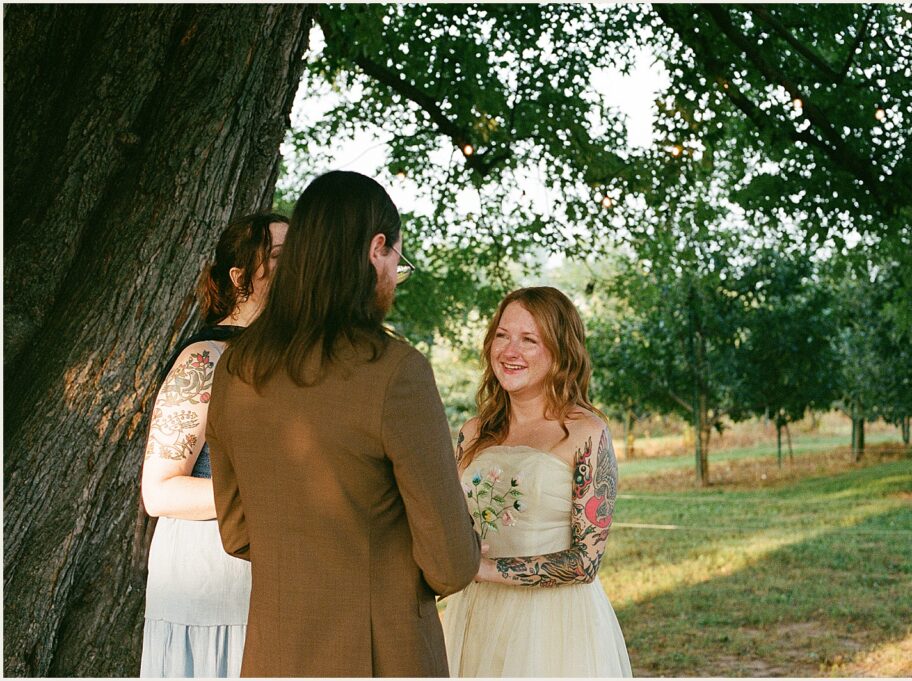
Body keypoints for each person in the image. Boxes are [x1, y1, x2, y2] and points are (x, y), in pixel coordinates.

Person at [204, 170, 480, 677]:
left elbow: (237, 532)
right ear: (378, 249)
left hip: (273, 654)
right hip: (380, 651)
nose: (396, 274)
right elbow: (450, 560)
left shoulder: (237, 370)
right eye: (399, 260)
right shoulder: (395, 371)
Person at [443, 286, 633, 677]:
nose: (510, 351)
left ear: (560, 350)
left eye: (529, 340)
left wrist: (483, 569)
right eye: (502, 335)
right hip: (475, 614)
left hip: (552, 625)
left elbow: (585, 562)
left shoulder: (586, 433)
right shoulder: (473, 432)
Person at [139, 212, 289, 677]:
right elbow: (159, 491)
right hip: (208, 576)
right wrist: (275, 495)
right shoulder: (207, 357)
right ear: (240, 277)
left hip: (273, 575)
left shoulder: (290, 360)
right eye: (282, 257)